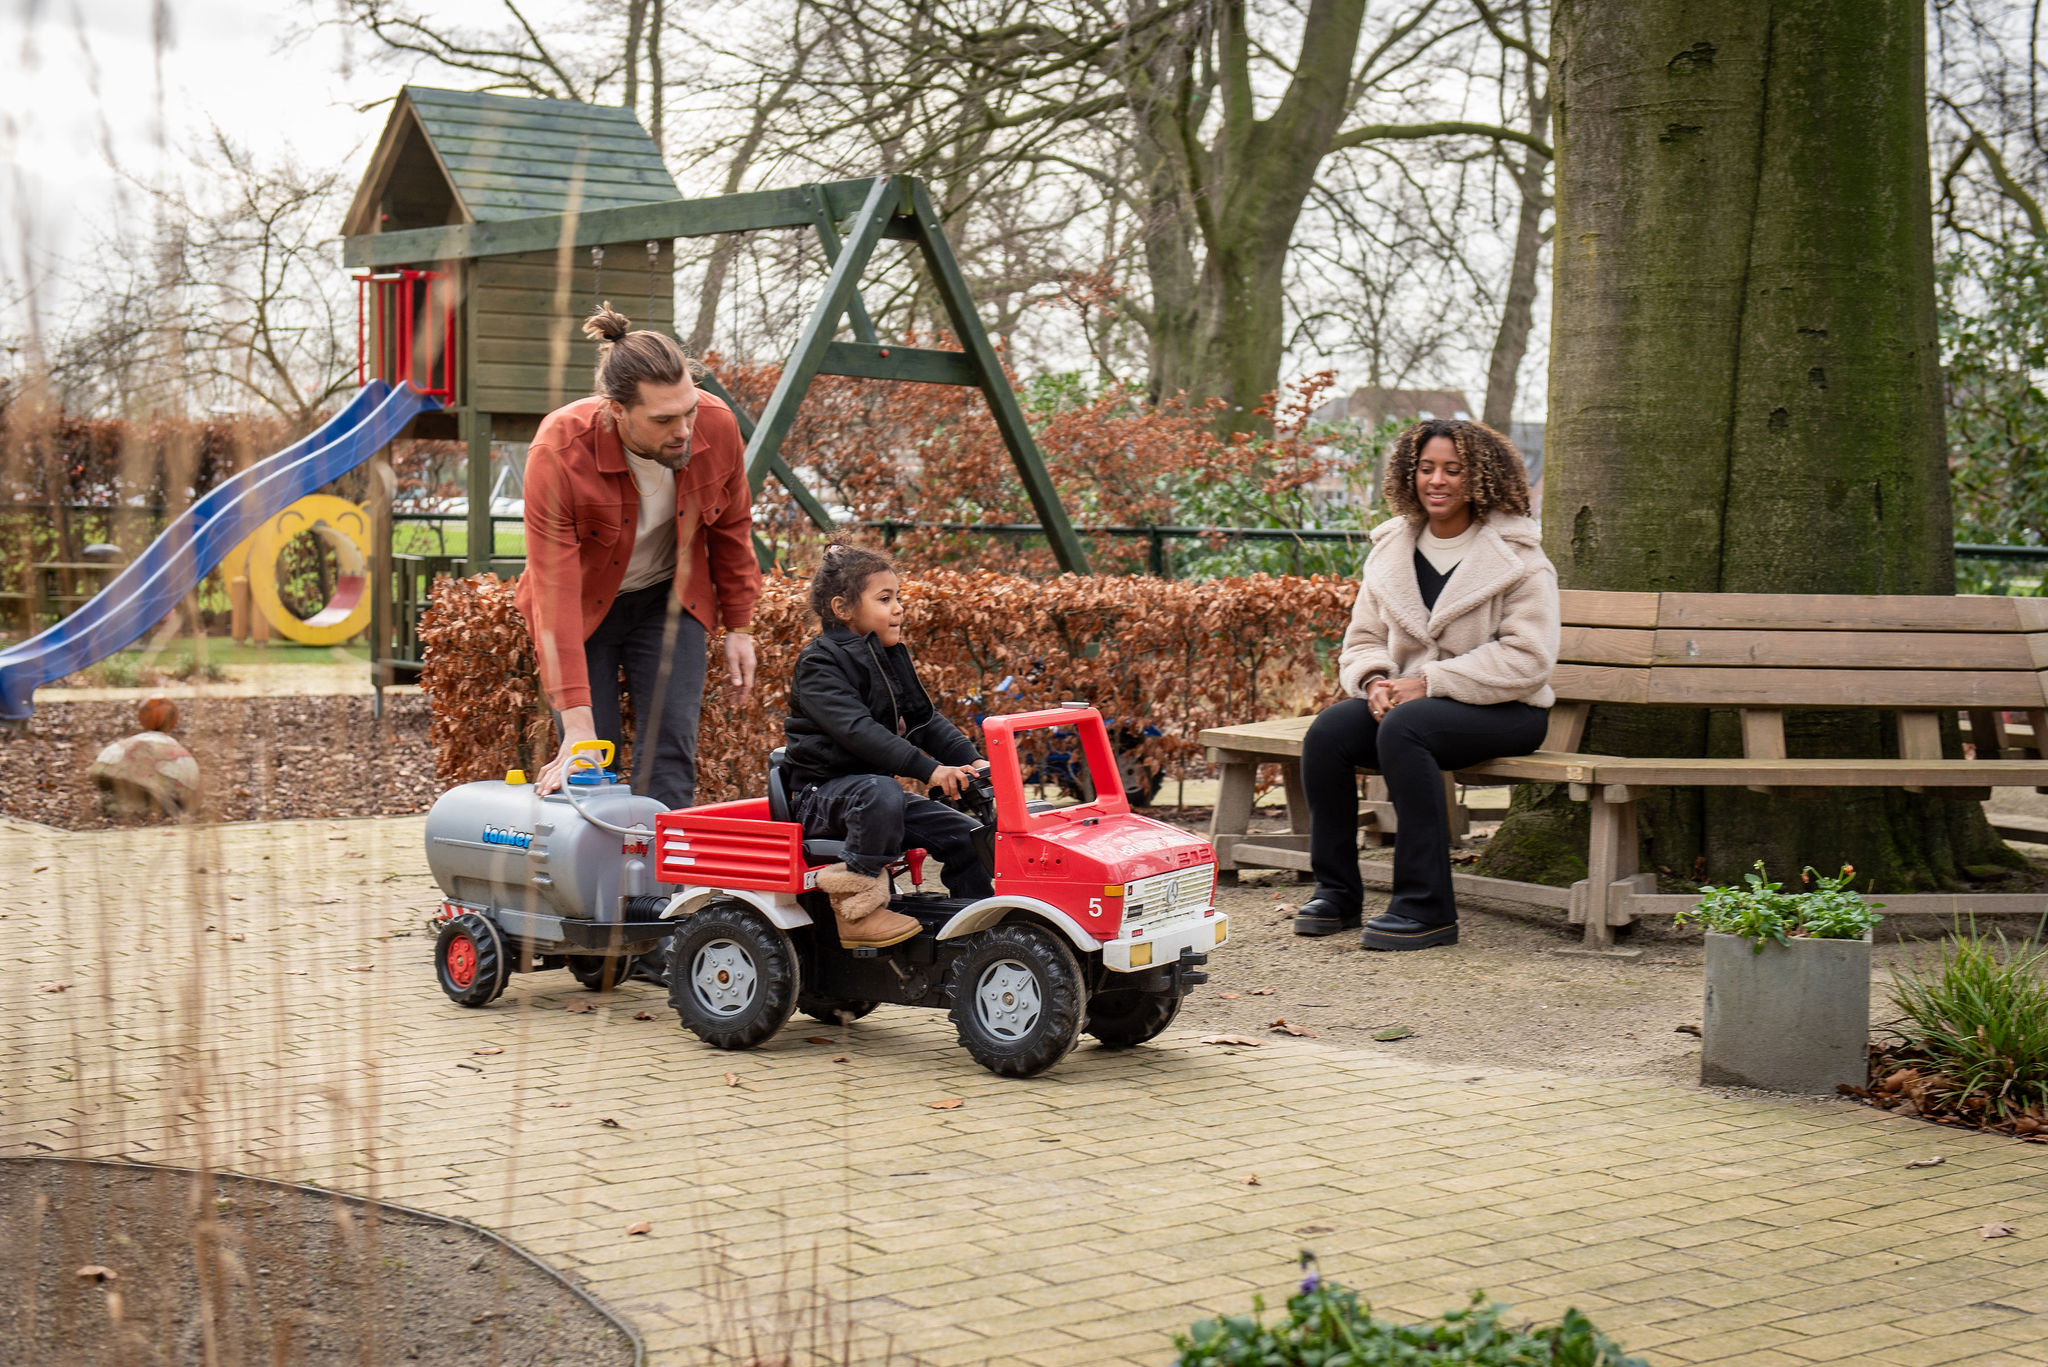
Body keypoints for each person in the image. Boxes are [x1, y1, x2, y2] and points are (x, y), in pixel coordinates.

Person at [1294, 418, 1558, 950]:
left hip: (1507, 710)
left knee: (1407, 727)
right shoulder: (1391, 549)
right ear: (1409, 474)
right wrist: (1374, 680)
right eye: (1426, 468)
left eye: (1453, 470)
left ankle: (1426, 907)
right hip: (1409, 706)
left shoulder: (1519, 558)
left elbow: (1528, 658)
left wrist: (1431, 681)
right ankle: (1337, 893)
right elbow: (1363, 638)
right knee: (1329, 731)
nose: (1437, 480)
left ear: (1480, 477)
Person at [517, 304, 761, 810]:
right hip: (581, 608)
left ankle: (662, 862)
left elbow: (733, 528)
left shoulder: (717, 425)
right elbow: (553, 593)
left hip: (668, 601)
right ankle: (597, 861)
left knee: (670, 754)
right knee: (591, 759)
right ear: (616, 410)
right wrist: (577, 726)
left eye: (689, 410)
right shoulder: (559, 451)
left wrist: (740, 626)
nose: (684, 430)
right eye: (664, 419)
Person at [782, 544, 992, 948]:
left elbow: (924, 721)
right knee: (881, 790)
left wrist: (974, 761)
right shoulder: (819, 663)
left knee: (967, 836)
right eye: (884, 599)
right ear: (843, 608)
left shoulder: (887, 656)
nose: (899, 608)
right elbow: (858, 731)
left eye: (898, 597)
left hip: (871, 799)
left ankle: (977, 927)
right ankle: (858, 911)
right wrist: (931, 770)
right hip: (821, 798)